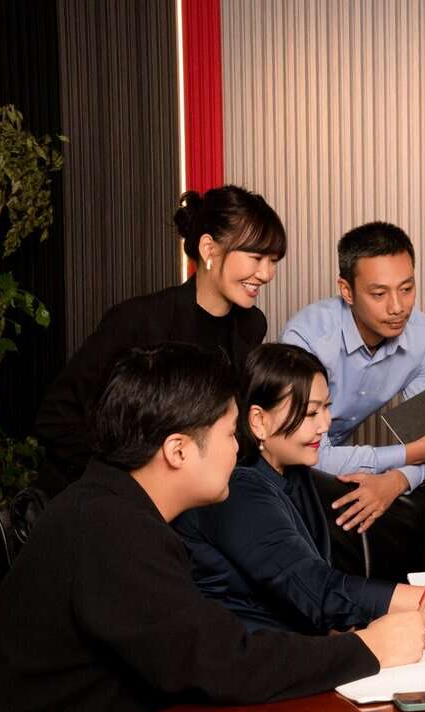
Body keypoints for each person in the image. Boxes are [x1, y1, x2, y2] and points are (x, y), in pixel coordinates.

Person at [0, 344, 425, 712]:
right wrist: (367, 649)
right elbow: (221, 660)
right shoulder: (110, 529)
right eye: (227, 433)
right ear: (177, 450)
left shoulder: (117, 507)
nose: (238, 448)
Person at [176, 344, 425, 633]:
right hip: (252, 664)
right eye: (311, 413)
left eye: (327, 409)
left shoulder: (293, 472)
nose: (325, 425)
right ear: (258, 421)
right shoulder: (238, 491)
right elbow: (319, 591)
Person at [34, 185, 284, 496]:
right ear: (209, 249)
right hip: (119, 500)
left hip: (203, 497)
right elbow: (56, 418)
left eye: (273, 260)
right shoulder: (140, 320)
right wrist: (131, 483)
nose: (266, 273)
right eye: (256, 257)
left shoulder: (251, 325)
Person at [281, 221, 425, 580]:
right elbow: (297, 448)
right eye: (379, 294)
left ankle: (418, 597)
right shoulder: (307, 338)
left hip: (348, 457)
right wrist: (410, 455)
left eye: (408, 288)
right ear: (347, 291)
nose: (398, 307)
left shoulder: (423, 336)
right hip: (298, 455)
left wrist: (396, 480)